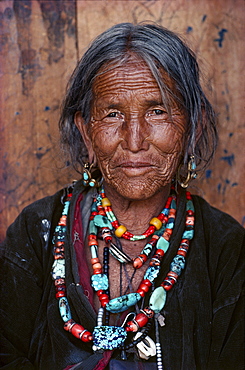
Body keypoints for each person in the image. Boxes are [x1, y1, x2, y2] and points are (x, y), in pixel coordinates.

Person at [0, 23, 244, 370]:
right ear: (86, 132)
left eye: (157, 111)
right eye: (113, 113)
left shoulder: (224, 248)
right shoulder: (37, 231)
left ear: (193, 126)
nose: (134, 139)